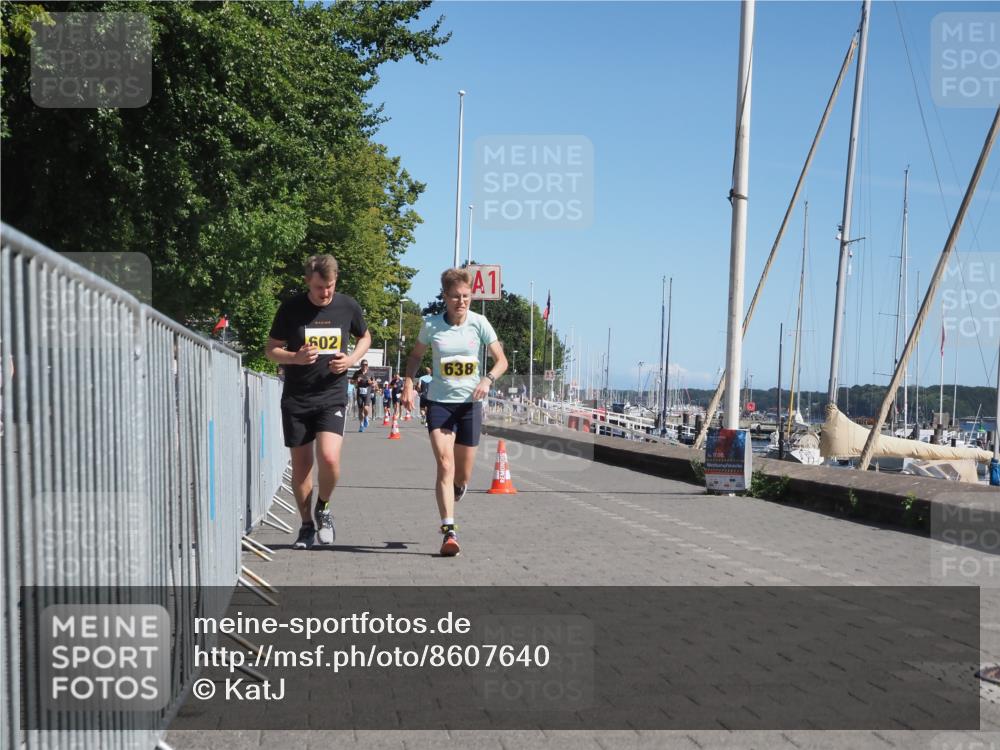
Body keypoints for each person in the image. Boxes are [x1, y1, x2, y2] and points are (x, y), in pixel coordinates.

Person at [266, 254, 371, 550]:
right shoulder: (291, 309)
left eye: (330, 287)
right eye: (318, 288)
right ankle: (306, 526)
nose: (325, 294)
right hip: (297, 398)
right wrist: (294, 357)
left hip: (331, 395)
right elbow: (270, 349)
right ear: (307, 283)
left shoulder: (347, 306)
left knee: (329, 458)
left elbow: (365, 337)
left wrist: (350, 359)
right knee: (301, 468)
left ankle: (323, 507)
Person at [402, 268, 507, 557]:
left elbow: (502, 361)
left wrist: (487, 380)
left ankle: (459, 487)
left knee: (462, 473)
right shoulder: (432, 325)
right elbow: (415, 356)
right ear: (445, 297)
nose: (461, 302)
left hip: (469, 405)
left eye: (466, 296)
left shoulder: (479, 323)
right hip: (439, 403)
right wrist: (408, 384)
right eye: (455, 297)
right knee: (444, 465)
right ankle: (449, 530)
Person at [351, 360, 374, 431]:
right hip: (359, 393)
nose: (365, 366)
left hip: (367, 392)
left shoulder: (370, 373)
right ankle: (361, 425)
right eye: (363, 365)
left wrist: (371, 382)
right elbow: (351, 382)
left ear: (367, 365)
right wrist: (356, 381)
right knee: (360, 410)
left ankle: (366, 417)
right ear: (361, 365)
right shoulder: (357, 373)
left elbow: (374, 383)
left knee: (366, 408)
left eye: (366, 365)